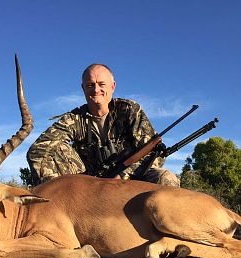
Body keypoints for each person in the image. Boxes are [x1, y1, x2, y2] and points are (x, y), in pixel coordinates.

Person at [27, 64, 180, 187]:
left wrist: (122, 176)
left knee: (166, 178)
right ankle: (54, 206)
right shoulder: (74, 119)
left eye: (101, 84)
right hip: (90, 186)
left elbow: (155, 155)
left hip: (134, 178)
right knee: (50, 149)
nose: (96, 90)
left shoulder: (129, 110)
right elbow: (38, 150)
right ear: (83, 88)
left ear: (112, 86)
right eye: (90, 85)